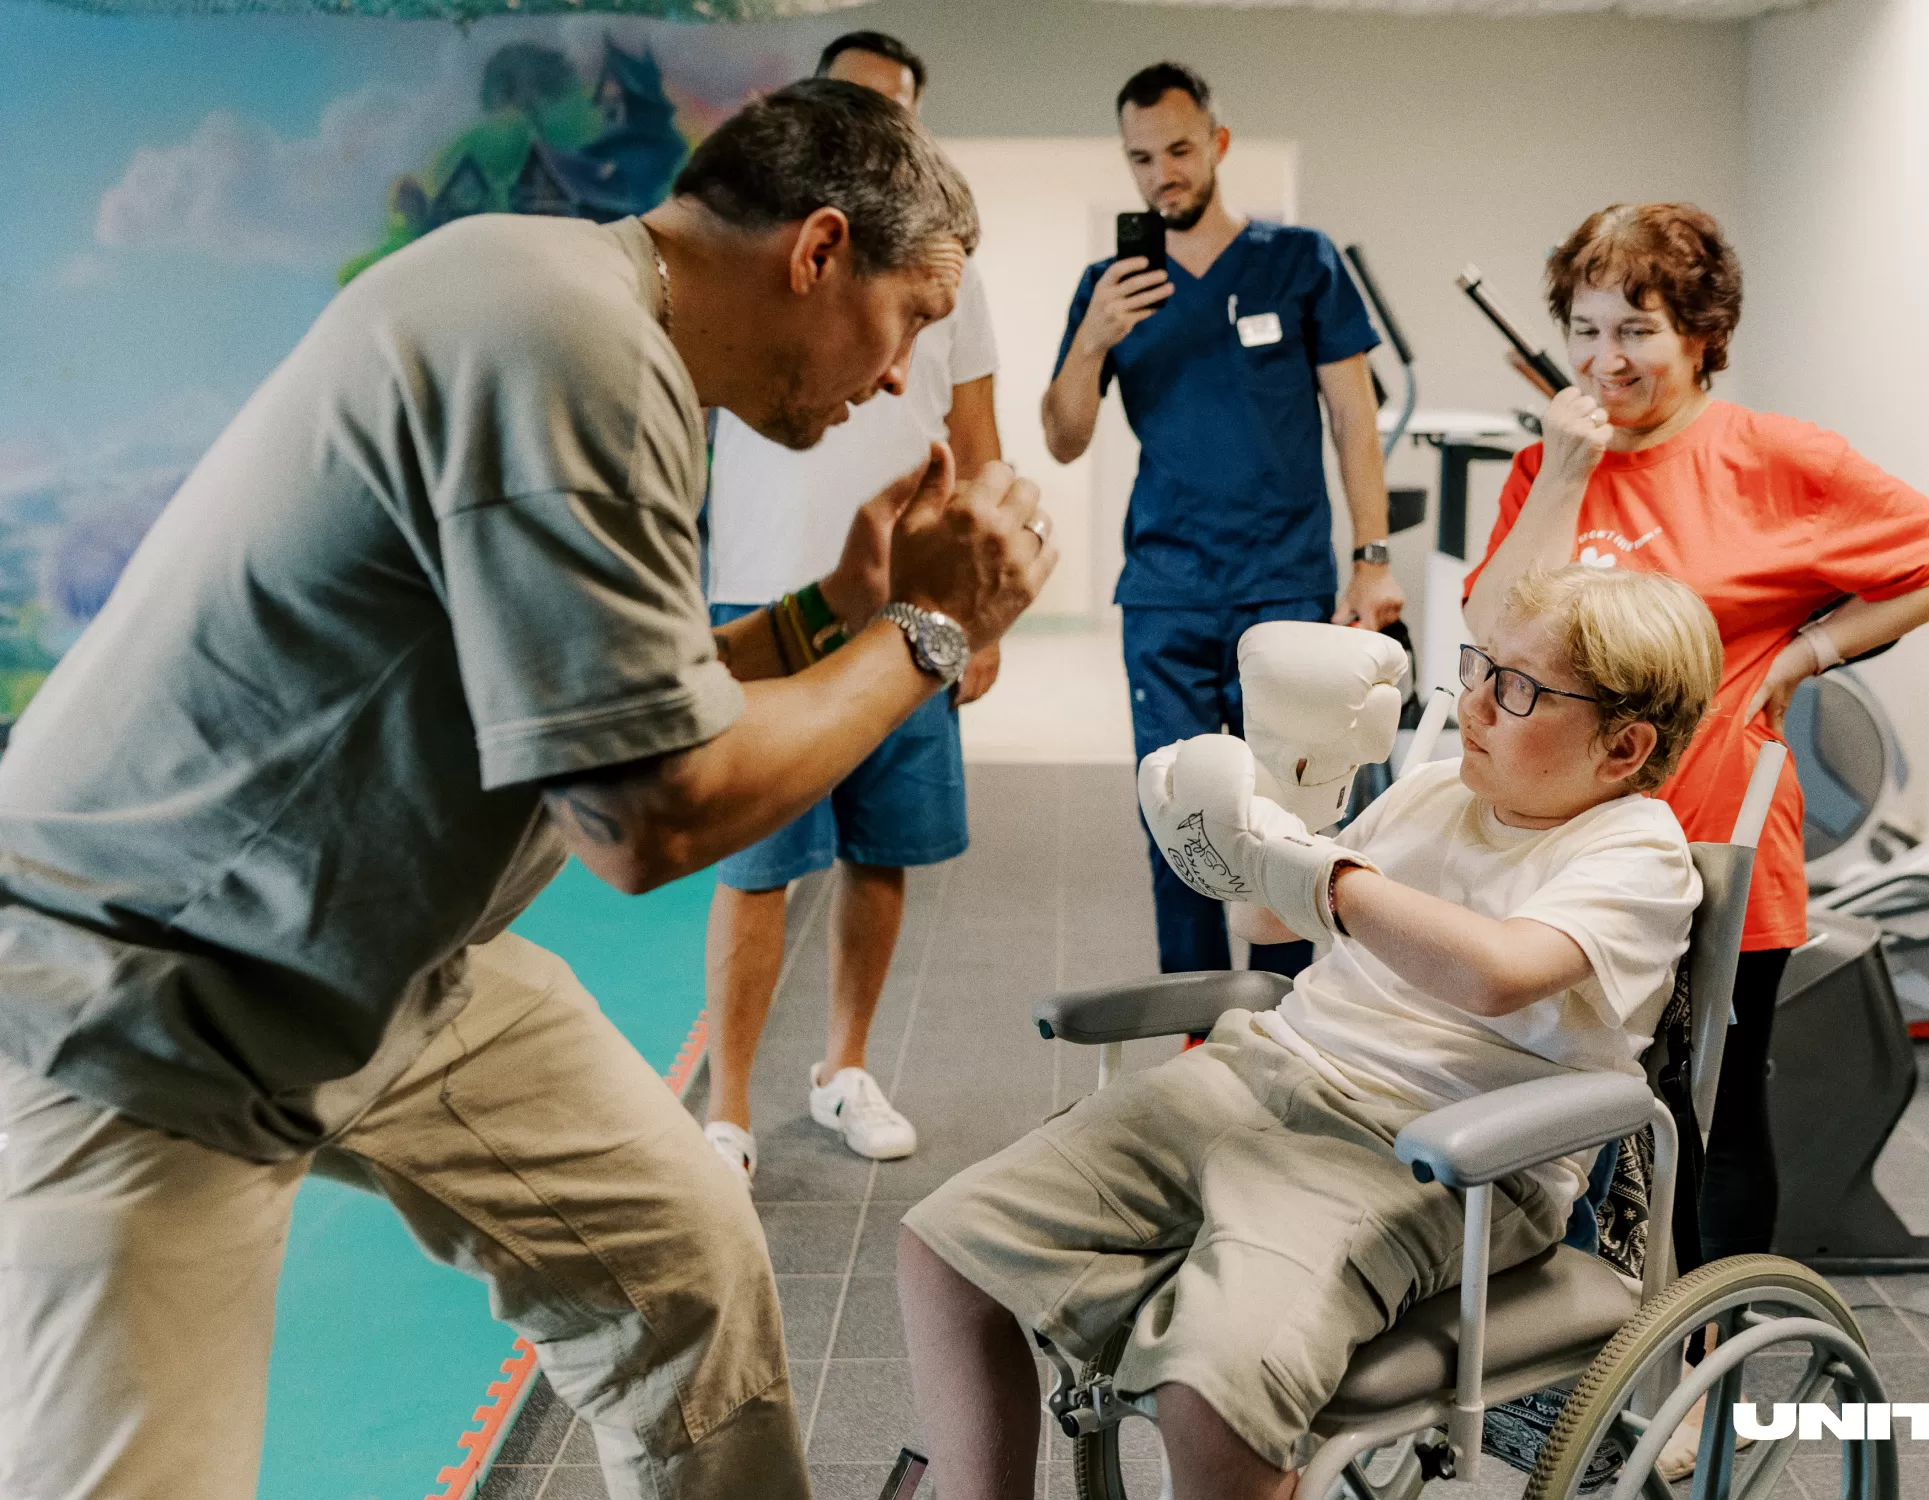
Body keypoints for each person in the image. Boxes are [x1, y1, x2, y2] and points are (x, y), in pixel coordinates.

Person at [0, 81, 1057, 1500]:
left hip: (390, 965)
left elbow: (623, 699)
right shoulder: (571, 344)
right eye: (911, 320)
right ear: (817, 253)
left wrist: (836, 612)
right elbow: (644, 815)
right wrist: (928, 633)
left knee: (675, 1260)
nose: (892, 381)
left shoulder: (588, 322)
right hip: (152, 996)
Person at [899, 564, 1724, 1500]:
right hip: (1263, 1074)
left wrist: (1324, 875)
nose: (1478, 702)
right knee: (949, 1250)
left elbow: (1497, 972)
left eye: (1522, 688)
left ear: (1624, 748)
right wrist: (1263, 808)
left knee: (1207, 1389)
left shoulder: (1636, 851)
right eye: (1483, 667)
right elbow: (1267, 926)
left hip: (1430, 1149)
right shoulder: (1435, 793)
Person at [1461, 202, 1929, 1469]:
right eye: (1585, 330)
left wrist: (1811, 649)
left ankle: (1701, 1368)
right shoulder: (1558, 459)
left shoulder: (1773, 455)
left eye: (1637, 328)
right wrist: (1567, 468)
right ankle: (1563, 1352)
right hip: (1562, 851)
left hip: (1713, 842)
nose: (1607, 360)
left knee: (1708, 1113)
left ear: (1702, 334)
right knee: (1560, 1102)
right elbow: (1488, 620)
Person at [701, 30, 1001, 1186]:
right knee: (756, 859)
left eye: (900, 115)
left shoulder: (947, 275)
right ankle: (724, 1109)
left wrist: (980, 619)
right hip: (768, 588)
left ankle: (843, 1069)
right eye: (858, 109)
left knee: (886, 846)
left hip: (909, 597)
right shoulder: (766, 268)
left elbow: (976, 443)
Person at [1041, 60, 1404, 978]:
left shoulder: (1300, 261)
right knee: (1177, 812)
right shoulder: (1109, 285)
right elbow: (1064, 438)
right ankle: (1197, 1031)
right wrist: (1094, 339)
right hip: (1167, 590)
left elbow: (1354, 418)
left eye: (1177, 149)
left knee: (1288, 812)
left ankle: (1288, 1021)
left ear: (1217, 145)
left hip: (1283, 583)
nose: (1161, 173)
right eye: (1140, 158)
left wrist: (1371, 558)